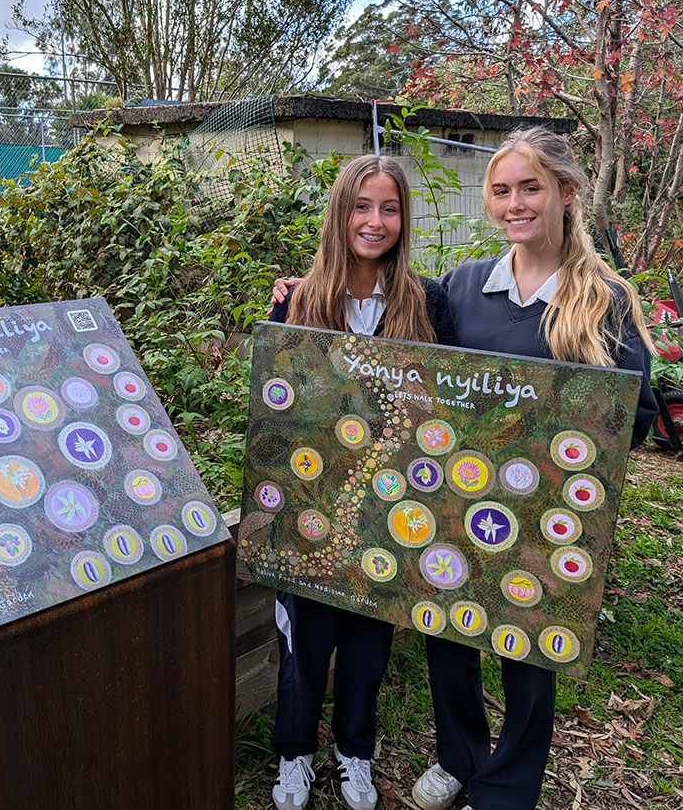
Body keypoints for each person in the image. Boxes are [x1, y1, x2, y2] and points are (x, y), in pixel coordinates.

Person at [272, 127, 657, 810]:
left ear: (567, 193)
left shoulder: (605, 299)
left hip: (543, 516)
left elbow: (633, 413)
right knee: (450, 634)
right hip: (457, 504)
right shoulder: (465, 288)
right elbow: (415, 368)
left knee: (530, 655)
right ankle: (458, 756)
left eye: (530, 187)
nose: (514, 203)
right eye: (502, 190)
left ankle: (506, 783)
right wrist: (307, 291)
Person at [267, 154, 457, 810]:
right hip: (314, 510)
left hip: (386, 512)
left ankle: (355, 753)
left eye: (390, 208)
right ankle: (294, 756)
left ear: (404, 217)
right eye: (361, 206)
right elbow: (280, 408)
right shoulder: (300, 299)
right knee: (305, 647)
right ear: (340, 212)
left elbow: (446, 412)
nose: (375, 222)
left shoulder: (428, 302)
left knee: (367, 648)